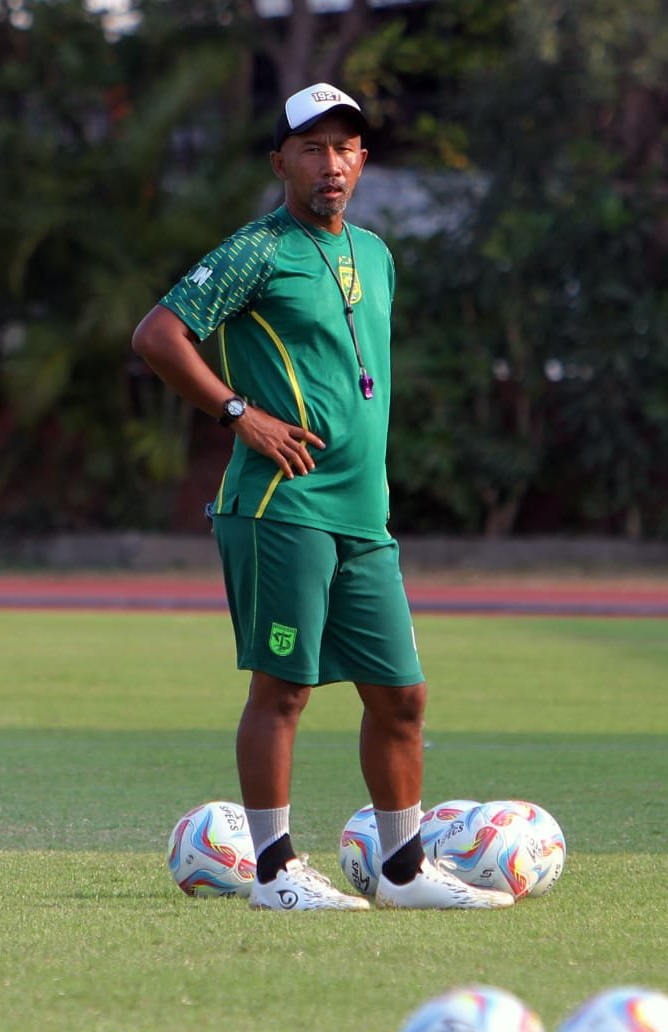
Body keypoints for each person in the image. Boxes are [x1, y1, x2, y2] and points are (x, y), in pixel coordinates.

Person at [132, 83, 509, 912]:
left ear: (363, 161)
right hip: (280, 505)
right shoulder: (255, 250)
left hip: (361, 515)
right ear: (281, 162)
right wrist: (239, 413)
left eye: (345, 148)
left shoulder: (375, 254)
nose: (330, 163)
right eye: (311, 148)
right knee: (283, 690)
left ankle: (403, 869)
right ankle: (273, 871)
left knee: (402, 694)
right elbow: (158, 334)